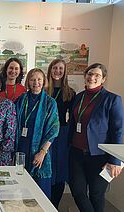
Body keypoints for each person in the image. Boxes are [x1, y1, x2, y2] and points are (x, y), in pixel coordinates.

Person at [68, 63, 123, 212]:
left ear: (103, 79)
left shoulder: (112, 100)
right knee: (78, 192)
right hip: (76, 153)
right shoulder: (78, 97)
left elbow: (117, 131)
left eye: (97, 75)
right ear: (85, 76)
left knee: (96, 195)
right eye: (90, 74)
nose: (92, 77)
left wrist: (115, 160)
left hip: (100, 156)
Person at [15, 68, 59, 199]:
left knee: (40, 192)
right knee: (20, 188)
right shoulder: (21, 99)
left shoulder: (50, 102)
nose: (36, 82)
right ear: (28, 81)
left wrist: (42, 152)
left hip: (40, 150)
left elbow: (54, 129)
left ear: (44, 81)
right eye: (32, 79)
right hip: (22, 148)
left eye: (39, 79)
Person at [46, 59, 76, 209]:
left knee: (60, 172)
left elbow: (73, 118)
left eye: (60, 69)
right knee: (47, 169)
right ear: (50, 70)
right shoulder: (44, 90)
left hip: (62, 135)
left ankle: (54, 206)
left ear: (64, 72)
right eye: (55, 68)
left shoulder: (70, 93)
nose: (57, 71)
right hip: (45, 134)